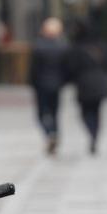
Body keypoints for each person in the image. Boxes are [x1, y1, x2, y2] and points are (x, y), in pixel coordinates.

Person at [65, 19, 107, 156]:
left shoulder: (77, 47)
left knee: (85, 112)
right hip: (99, 83)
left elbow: (72, 67)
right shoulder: (102, 45)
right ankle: (94, 135)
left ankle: (91, 133)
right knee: (96, 111)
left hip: (84, 83)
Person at [28, 17, 68, 155]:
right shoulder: (63, 46)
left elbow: (34, 69)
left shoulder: (38, 46)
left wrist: (32, 83)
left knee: (41, 114)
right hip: (57, 85)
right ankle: (54, 134)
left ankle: (49, 133)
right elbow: (67, 68)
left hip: (41, 85)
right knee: (55, 112)